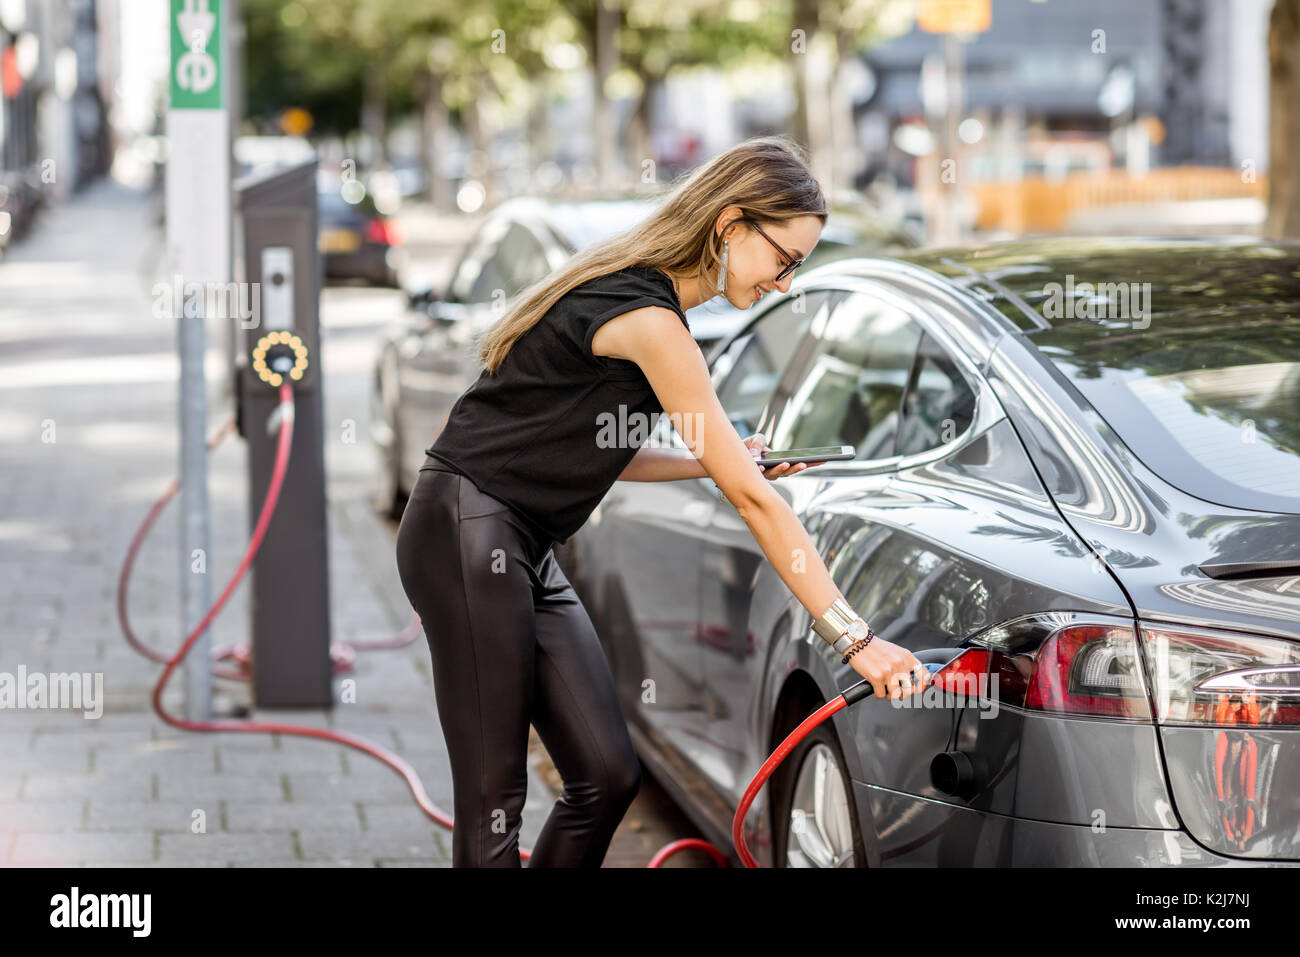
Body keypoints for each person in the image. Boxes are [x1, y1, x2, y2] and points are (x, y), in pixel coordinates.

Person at [394, 135, 929, 868]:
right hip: (466, 529)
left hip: (517, 540)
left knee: (606, 775)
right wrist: (857, 640)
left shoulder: (649, 304)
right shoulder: (651, 320)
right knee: (494, 805)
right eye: (784, 259)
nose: (783, 281)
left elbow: (596, 449)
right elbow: (755, 505)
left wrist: (726, 463)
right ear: (731, 224)